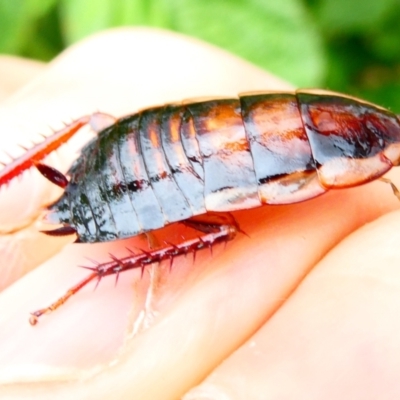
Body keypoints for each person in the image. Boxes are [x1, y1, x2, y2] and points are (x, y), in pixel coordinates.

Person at [0, 28, 400, 399]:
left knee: (216, 230)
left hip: (154, 150)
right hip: (147, 166)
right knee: (219, 231)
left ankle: (94, 274)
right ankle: (92, 272)